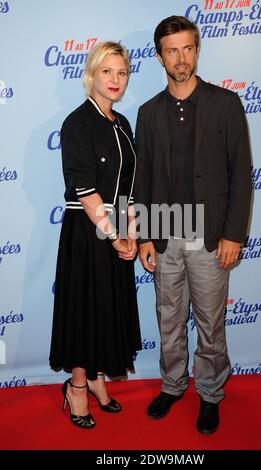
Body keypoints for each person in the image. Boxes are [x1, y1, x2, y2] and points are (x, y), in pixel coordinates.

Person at [134, 16, 252, 434]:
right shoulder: (147, 113)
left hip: (210, 236)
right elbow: (142, 177)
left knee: (210, 322)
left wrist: (234, 234)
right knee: (168, 318)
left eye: (187, 48)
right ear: (160, 56)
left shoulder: (226, 104)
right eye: (172, 50)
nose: (181, 59)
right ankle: (172, 384)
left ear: (197, 50)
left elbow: (242, 174)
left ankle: (210, 394)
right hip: (165, 234)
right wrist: (145, 235)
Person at [49, 41, 141, 429]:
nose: (115, 79)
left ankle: (100, 380)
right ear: (92, 74)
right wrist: (114, 235)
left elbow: (129, 187)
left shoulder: (121, 123)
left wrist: (132, 233)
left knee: (108, 309)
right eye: (108, 71)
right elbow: (85, 191)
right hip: (88, 235)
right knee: (85, 312)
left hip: (116, 229)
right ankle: (77, 388)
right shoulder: (77, 122)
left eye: (121, 72)